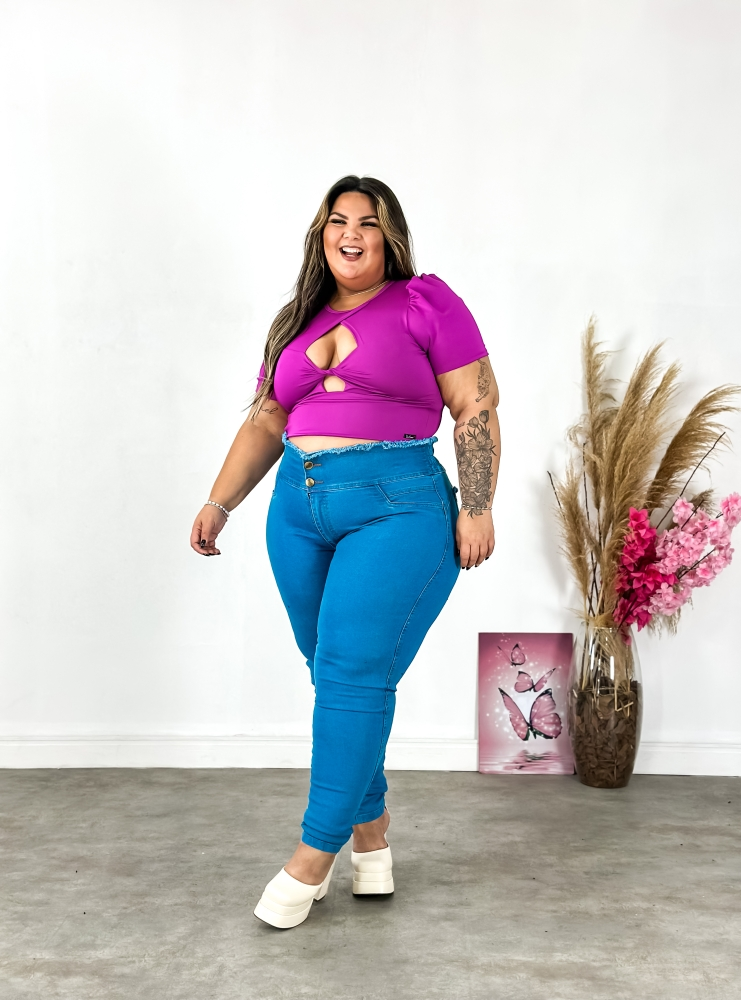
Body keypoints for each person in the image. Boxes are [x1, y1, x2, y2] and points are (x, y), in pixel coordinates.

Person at [190, 175, 500, 929]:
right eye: (338, 221)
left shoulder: (425, 301)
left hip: (397, 507)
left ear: (390, 236)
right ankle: (372, 837)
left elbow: (475, 404)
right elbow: (268, 419)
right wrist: (219, 501)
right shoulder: (295, 321)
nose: (351, 233)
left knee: (352, 674)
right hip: (296, 510)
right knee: (334, 675)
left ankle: (311, 856)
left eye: (368, 221)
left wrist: (477, 504)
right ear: (321, 234)